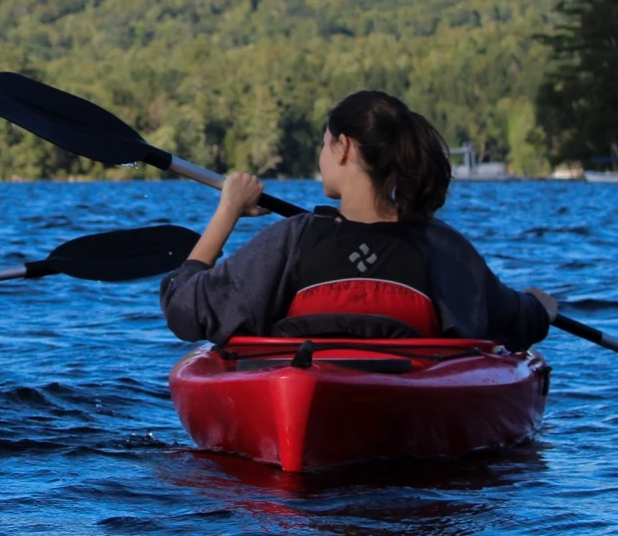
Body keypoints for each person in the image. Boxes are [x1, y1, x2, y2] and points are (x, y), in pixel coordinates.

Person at [159, 90, 555, 350]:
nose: (322, 156)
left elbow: (183, 309)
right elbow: (516, 323)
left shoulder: (291, 240)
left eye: (324, 144)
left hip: (301, 391)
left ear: (343, 147)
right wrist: (539, 307)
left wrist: (227, 212)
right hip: (412, 413)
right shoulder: (444, 248)